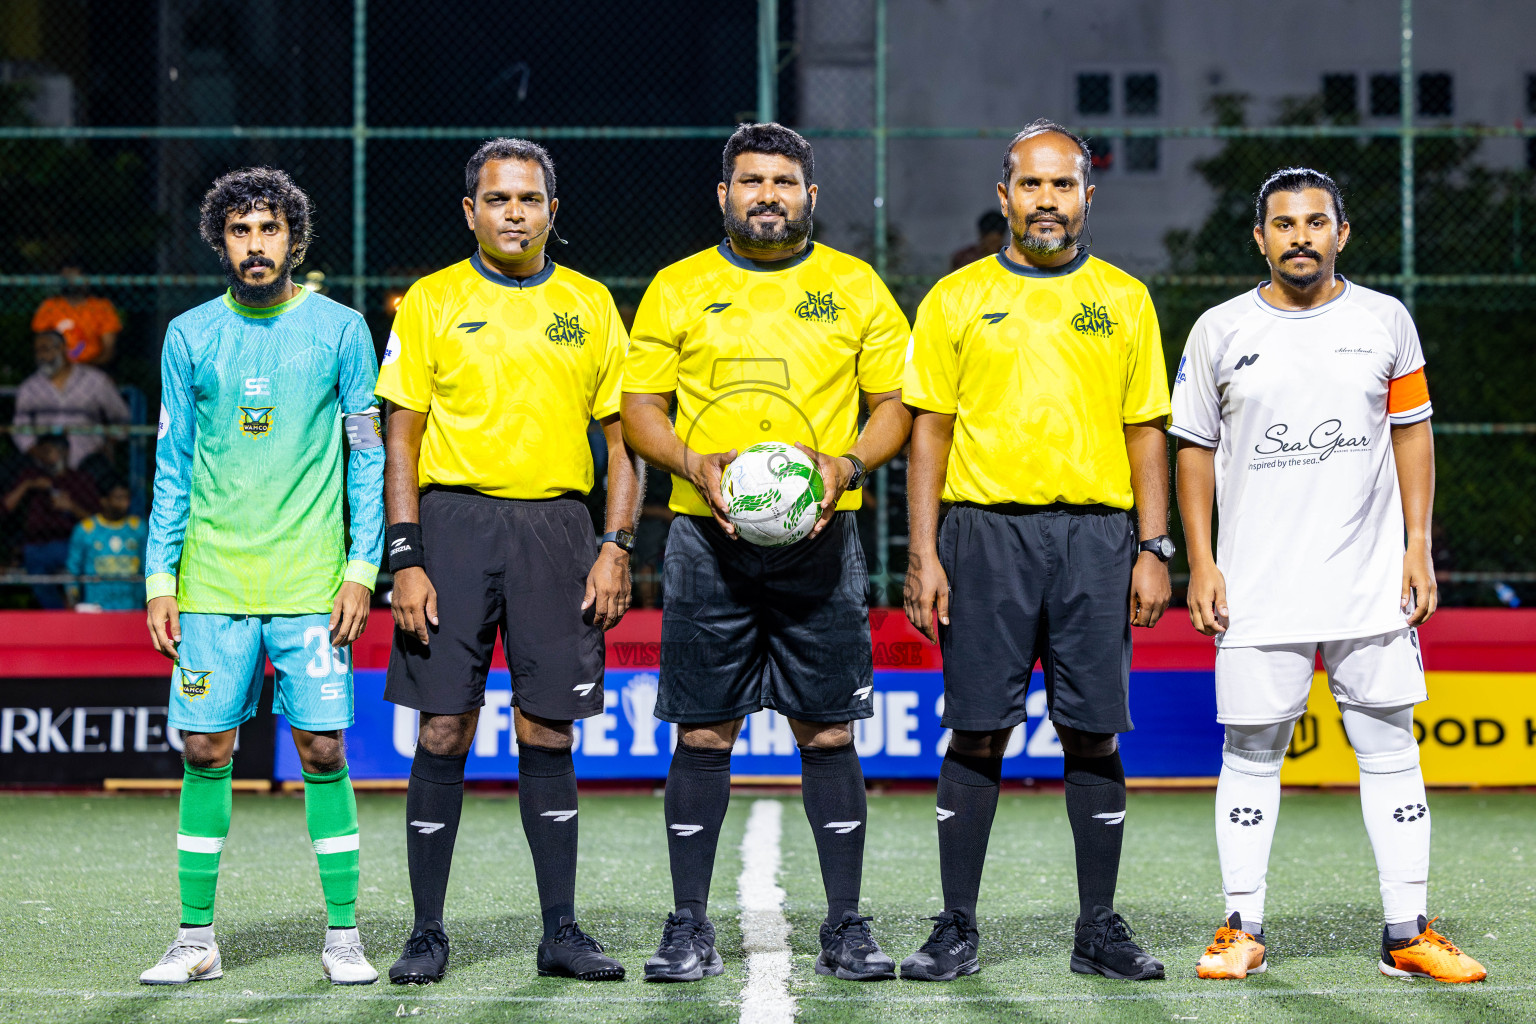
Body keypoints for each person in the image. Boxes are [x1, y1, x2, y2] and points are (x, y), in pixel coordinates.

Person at [1171, 167, 1487, 984]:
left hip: (1368, 582)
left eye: (1316, 222)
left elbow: (1412, 433)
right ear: (1260, 238)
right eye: (1284, 224)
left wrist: (1418, 544)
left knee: (1389, 746)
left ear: (1341, 233)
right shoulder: (1218, 330)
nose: (1300, 237)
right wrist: (1201, 562)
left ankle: (1406, 932)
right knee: (1251, 751)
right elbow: (1193, 451)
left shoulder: (1386, 321)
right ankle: (1241, 927)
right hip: (1256, 587)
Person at [623, 122, 912, 983]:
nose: (767, 195)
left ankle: (846, 926)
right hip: (704, 542)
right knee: (703, 731)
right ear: (725, 194)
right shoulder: (678, 286)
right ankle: (688, 926)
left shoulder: (855, 286)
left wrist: (846, 465)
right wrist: (692, 463)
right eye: (751, 181)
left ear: (810, 196)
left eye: (784, 182)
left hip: (821, 542)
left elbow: (895, 405)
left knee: (828, 730)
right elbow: (641, 410)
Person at [901, 119, 1172, 983]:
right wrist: (923, 551)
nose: (1046, 200)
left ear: (1087, 196)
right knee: (978, 730)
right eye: (1031, 184)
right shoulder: (955, 298)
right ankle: (956, 926)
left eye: (1062, 185)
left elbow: (1146, 430)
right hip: (984, 536)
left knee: (1091, 733)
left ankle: (1098, 929)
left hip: (1098, 538)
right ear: (1004, 195)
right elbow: (929, 432)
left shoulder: (1125, 298)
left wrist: (1154, 547)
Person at [376, 137, 638, 985]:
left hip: (559, 529)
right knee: (443, 727)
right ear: (470, 212)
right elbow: (400, 441)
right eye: (497, 199)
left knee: (547, 727)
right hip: (451, 526)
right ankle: (426, 933)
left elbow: (623, 445)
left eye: (529, 200)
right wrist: (405, 557)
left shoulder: (591, 303)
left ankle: (561, 931)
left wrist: (615, 545)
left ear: (552, 212)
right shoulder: (431, 300)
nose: (514, 213)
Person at [140, 167, 384, 986]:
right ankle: (195, 939)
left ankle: (343, 935)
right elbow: (172, 462)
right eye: (240, 231)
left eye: (269, 229)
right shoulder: (189, 336)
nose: (255, 244)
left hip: (312, 581)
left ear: (295, 240)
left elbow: (367, 457)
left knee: (323, 747)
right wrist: (160, 579)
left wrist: (361, 569)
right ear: (221, 241)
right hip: (212, 579)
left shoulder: (342, 330)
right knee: (205, 746)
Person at [2, 434, 99, 608]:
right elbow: (4, 509)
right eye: (40, 452)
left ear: (65, 452)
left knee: (81, 565)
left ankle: (81, 608)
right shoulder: (31, 476)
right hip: (37, 544)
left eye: (48, 451)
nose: (42, 457)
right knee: (35, 562)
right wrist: (27, 486)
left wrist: (71, 507)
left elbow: (98, 522)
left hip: (72, 543)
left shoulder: (79, 479)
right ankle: (57, 614)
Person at [13, 329, 131, 471]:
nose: (41, 356)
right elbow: (20, 426)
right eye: (37, 351)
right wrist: (36, 451)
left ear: (62, 348)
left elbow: (121, 416)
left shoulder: (95, 380)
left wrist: (108, 445)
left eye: (45, 349)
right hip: (45, 466)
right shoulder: (29, 387)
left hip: (89, 463)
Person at [66, 478, 146, 609]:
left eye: (127, 498)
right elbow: (72, 568)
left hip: (132, 606)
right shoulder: (86, 530)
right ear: (104, 500)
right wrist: (72, 596)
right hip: (97, 606)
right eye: (118, 498)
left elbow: (147, 565)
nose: (124, 503)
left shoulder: (138, 529)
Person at [32, 264, 123, 365]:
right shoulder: (49, 306)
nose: (70, 282)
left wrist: (83, 369)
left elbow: (108, 349)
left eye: (74, 277)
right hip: (57, 367)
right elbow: (42, 346)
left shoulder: (101, 306)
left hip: (92, 366)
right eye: (66, 277)